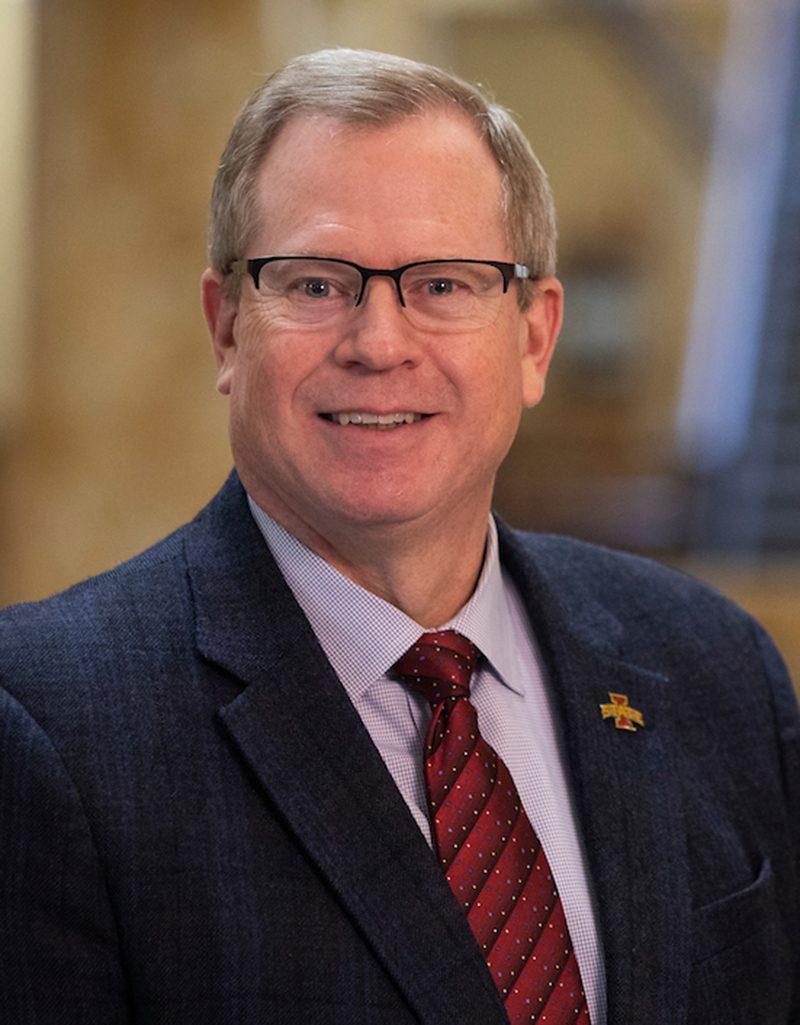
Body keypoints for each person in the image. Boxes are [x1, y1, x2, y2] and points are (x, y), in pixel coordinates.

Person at [0, 48, 798, 1025]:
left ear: (534, 337)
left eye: (444, 285)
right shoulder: (46, 720)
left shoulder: (715, 667)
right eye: (315, 283)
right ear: (224, 329)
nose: (378, 342)